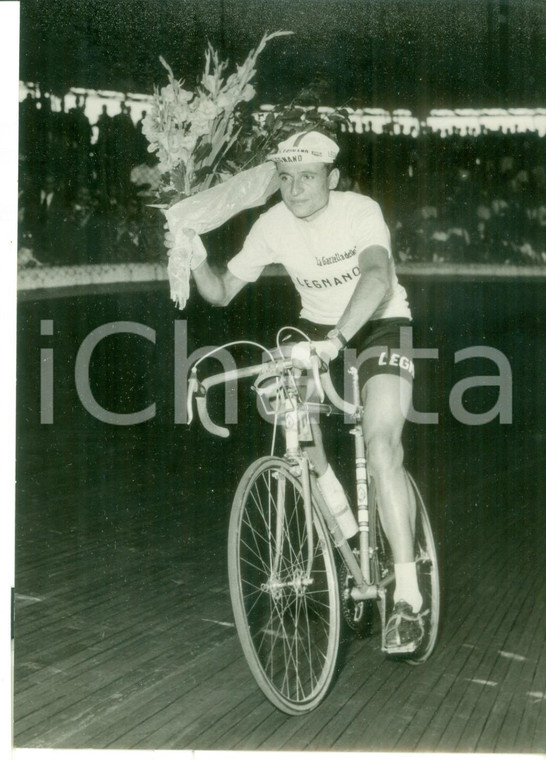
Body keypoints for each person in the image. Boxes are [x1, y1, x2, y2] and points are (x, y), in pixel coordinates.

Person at [167, 130, 425, 654]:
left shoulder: (359, 211)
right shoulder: (271, 225)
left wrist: (336, 342)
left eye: (307, 177)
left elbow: (377, 277)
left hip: (380, 325)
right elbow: (219, 293)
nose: (294, 188)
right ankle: (351, 535)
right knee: (299, 437)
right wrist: (193, 254)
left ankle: (408, 599)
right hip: (314, 331)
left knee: (381, 448)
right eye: (284, 178)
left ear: (332, 177)